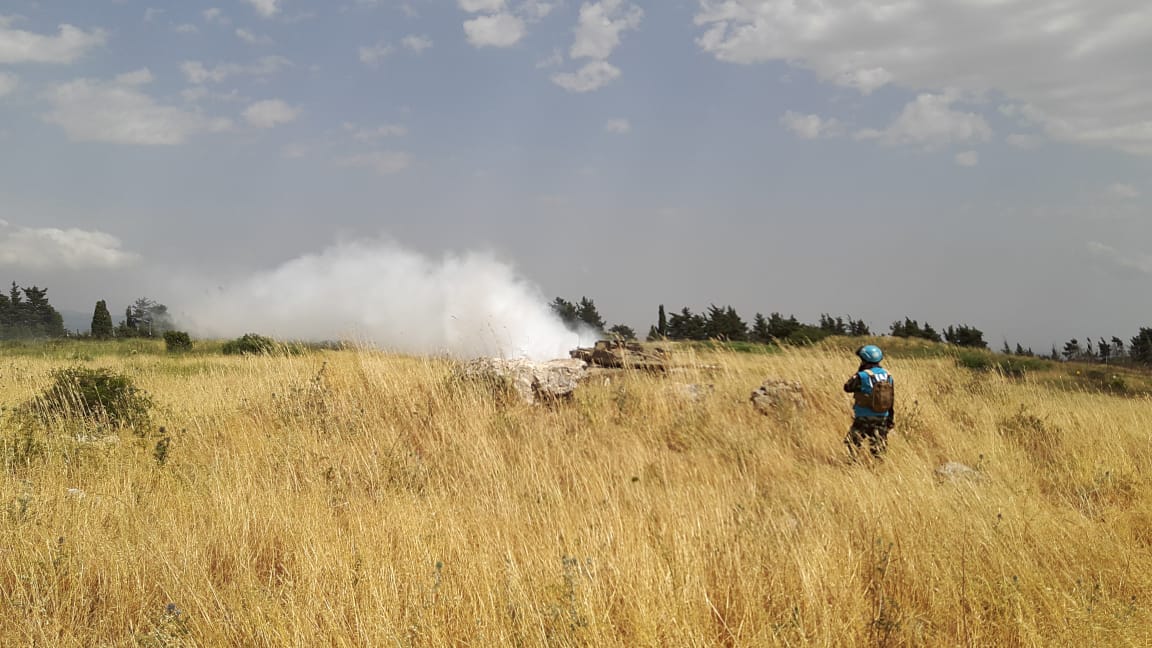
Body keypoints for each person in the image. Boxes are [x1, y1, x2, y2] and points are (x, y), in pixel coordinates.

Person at [843, 344, 894, 459]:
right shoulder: (888, 375)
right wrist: (890, 419)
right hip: (883, 416)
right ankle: (878, 467)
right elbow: (892, 398)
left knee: (852, 442)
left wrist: (859, 372)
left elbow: (847, 387)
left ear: (864, 360)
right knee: (879, 446)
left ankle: (853, 463)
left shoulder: (862, 376)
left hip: (864, 416)